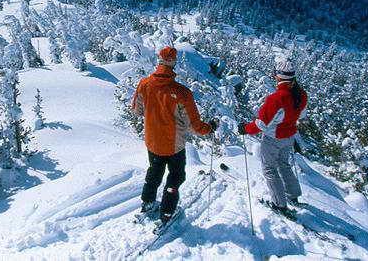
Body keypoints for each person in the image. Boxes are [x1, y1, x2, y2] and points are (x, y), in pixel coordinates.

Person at [132, 46, 218, 224]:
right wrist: (210, 128)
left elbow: (136, 110)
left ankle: (147, 202)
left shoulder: (144, 84)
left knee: (154, 171)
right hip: (174, 145)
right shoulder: (182, 92)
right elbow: (194, 126)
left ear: (159, 60)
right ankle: (167, 212)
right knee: (176, 176)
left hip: (152, 141)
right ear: (174, 62)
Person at [237, 56, 307, 213]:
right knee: (284, 164)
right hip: (289, 137)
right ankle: (293, 195)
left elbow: (261, 124)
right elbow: (301, 115)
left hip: (273, 138)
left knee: (270, 169)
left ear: (278, 75)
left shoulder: (276, 98)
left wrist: (245, 129)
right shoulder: (301, 94)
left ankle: (279, 204)